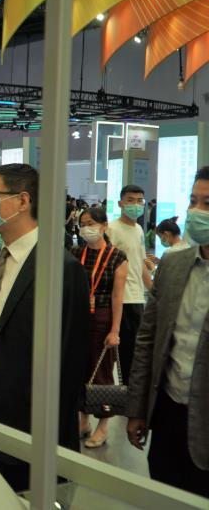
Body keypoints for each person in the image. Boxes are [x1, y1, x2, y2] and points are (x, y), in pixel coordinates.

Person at [0, 164, 90, 491]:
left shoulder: (60, 268)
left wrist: (51, 435)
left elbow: (71, 360)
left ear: (23, 200)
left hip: (28, 420)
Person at [126, 166, 209, 497]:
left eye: (207, 203)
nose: (196, 211)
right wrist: (136, 409)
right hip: (168, 413)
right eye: (193, 201)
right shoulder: (173, 265)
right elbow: (147, 341)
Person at [72, 207, 128, 448]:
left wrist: (115, 330)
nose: (87, 228)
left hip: (103, 319)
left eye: (91, 223)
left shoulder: (117, 256)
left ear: (104, 225)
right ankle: (83, 420)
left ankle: (103, 426)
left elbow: (118, 297)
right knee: (79, 369)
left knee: (102, 372)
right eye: (83, 224)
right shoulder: (76, 252)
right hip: (78, 317)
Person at [106, 185, 154, 381]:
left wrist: (154, 291)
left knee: (136, 353)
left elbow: (140, 264)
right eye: (130, 200)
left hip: (137, 298)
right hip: (121, 299)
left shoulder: (139, 229)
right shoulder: (112, 229)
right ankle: (124, 392)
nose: (136, 204)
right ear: (120, 203)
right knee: (125, 354)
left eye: (140, 201)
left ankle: (130, 391)